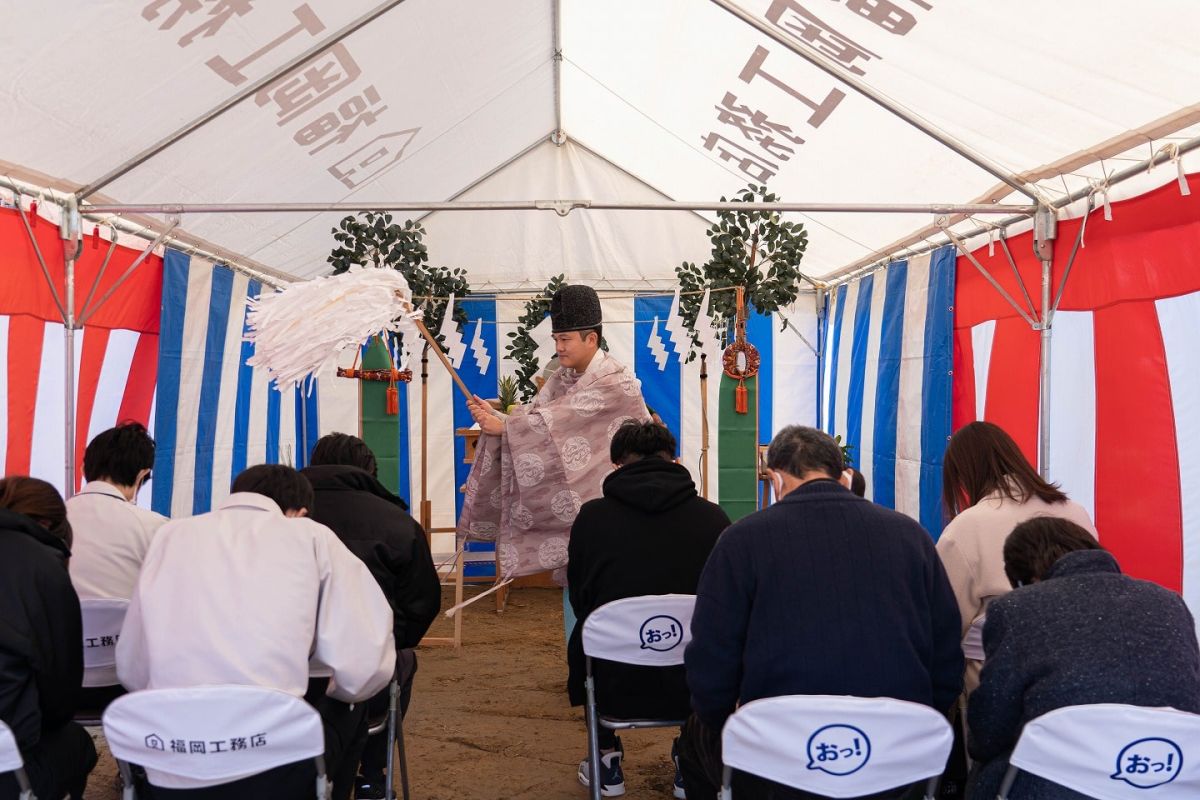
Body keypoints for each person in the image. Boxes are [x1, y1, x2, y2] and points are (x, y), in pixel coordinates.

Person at [681, 426, 963, 800]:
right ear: (843, 476)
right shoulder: (910, 536)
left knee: (695, 737)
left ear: (776, 480)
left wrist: (724, 723)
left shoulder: (741, 540)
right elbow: (946, 656)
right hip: (894, 757)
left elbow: (711, 659)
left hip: (776, 758)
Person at [116, 465, 395, 800]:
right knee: (353, 705)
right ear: (300, 512)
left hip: (169, 766)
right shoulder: (310, 536)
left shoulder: (170, 534)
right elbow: (365, 663)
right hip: (274, 773)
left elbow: (132, 665)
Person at [968, 517, 1200, 799]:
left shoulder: (1016, 608)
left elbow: (988, 732)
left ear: (1028, 578)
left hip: (1055, 787)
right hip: (1167, 779)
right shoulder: (1170, 602)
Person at [567, 421, 729, 798]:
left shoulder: (592, 519)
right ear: (674, 459)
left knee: (588, 629)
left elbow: (581, 598)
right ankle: (692, 760)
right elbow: (728, 604)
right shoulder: (713, 518)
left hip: (613, 680)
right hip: (693, 683)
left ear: (618, 464)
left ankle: (605, 755)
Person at [457, 285, 649, 593]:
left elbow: (551, 424)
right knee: (578, 592)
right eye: (556, 339)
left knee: (609, 591)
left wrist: (504, 428)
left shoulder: (617, 383)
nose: (559, 347)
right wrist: (498, 420)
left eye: (565, 339)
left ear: (591, 339)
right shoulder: (562, 378)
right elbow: (539, 419)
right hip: (585, 507)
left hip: (619, 505)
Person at [302, 432, 441, 800]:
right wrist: (389, 642)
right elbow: (421, 606)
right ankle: (373, 774)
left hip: (283, 677)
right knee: (404, 660)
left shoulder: (284, 516)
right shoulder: (397, 522)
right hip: (368, 682)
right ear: (369, 471)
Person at [935, 421, 1097, 694]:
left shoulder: (966, 528)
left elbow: (943, 624)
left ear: (964, 474)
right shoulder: (1076, 512)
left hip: (997, 685)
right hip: (1081, 673)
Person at [0, 477, 97, 800]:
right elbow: (60, 700)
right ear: (44, 523)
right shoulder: (42, 567)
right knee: (76, 743)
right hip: (8, 764)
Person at [66, 422, 166, 708]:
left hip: (57, 680)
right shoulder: (156, 528)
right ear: (142, 474)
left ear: (87, 468)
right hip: (130, 685)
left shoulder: (49, 520)